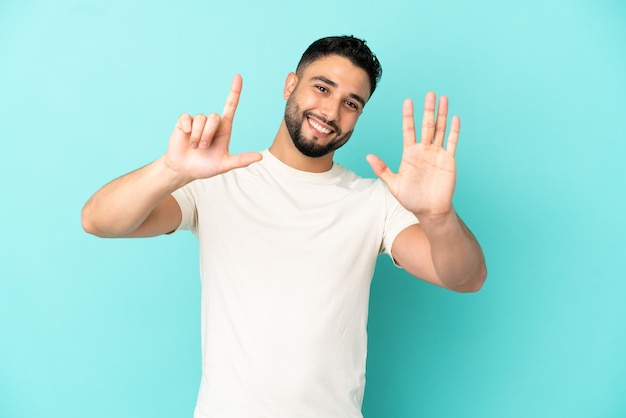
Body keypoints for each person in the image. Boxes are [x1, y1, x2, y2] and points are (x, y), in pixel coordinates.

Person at [82, 35, 486, 418]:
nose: (331, 112)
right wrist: (170, 170)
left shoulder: (374, 201)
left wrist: (438, 217)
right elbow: (99, 221)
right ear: (290, 84)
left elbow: (465, 278)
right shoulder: (216, 182)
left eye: (351, 103)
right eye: (322, 88)